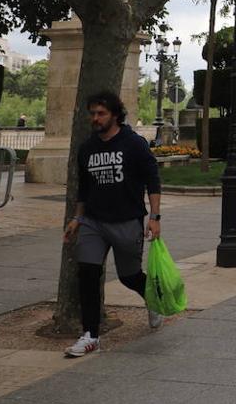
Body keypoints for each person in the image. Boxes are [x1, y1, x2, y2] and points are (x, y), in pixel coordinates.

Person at [62, 91, 163, 357]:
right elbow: (84, 188)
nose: (95, 118)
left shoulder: (134, 143)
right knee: (87, 275)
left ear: (115, 115)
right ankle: (91, 335)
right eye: (92, 113)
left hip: (127, 221)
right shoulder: (87, 148)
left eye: (101, 113)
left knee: (129, 276)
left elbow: (153, 180)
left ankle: (152, 301)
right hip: (93, 222)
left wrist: (154, 217)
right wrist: (77, 218)